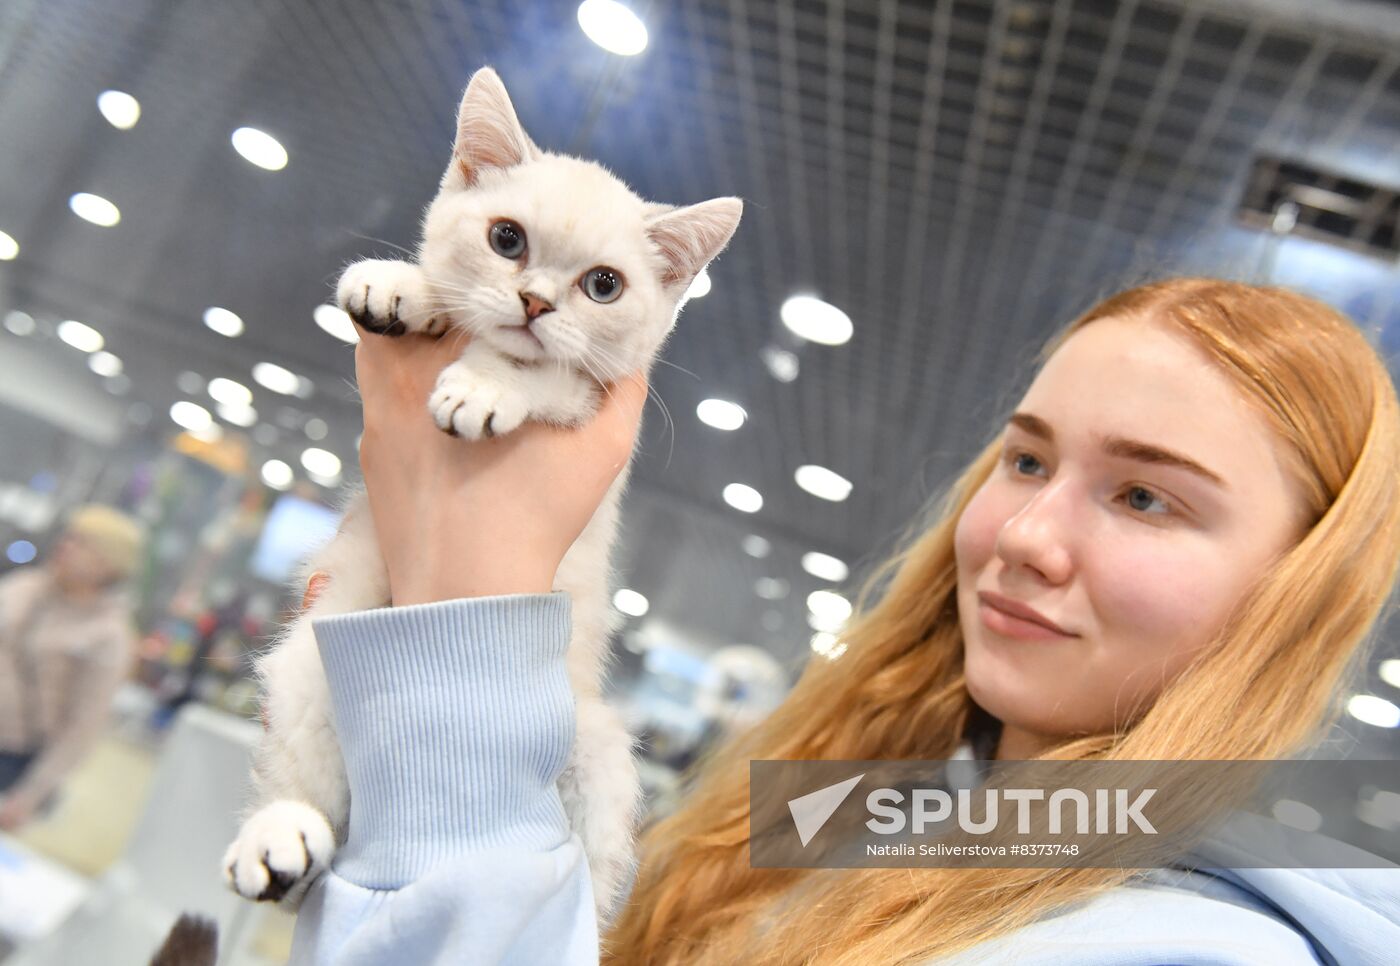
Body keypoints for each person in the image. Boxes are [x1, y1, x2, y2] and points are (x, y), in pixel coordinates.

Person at [287, 278, 1400, 964]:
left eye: (1143, 497)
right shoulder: (886, 805)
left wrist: (464, 628)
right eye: (1026, 459)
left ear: (1292, 596)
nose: (1022, 534)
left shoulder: (1195, 950)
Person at [0, 504, 143, 830]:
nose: (66, 546)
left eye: (83, 543)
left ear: (108, 564)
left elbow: (83, 726)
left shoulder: (109, 635)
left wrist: (29, 796)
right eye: (69, 537)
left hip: (12, 756)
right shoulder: (22, 587)